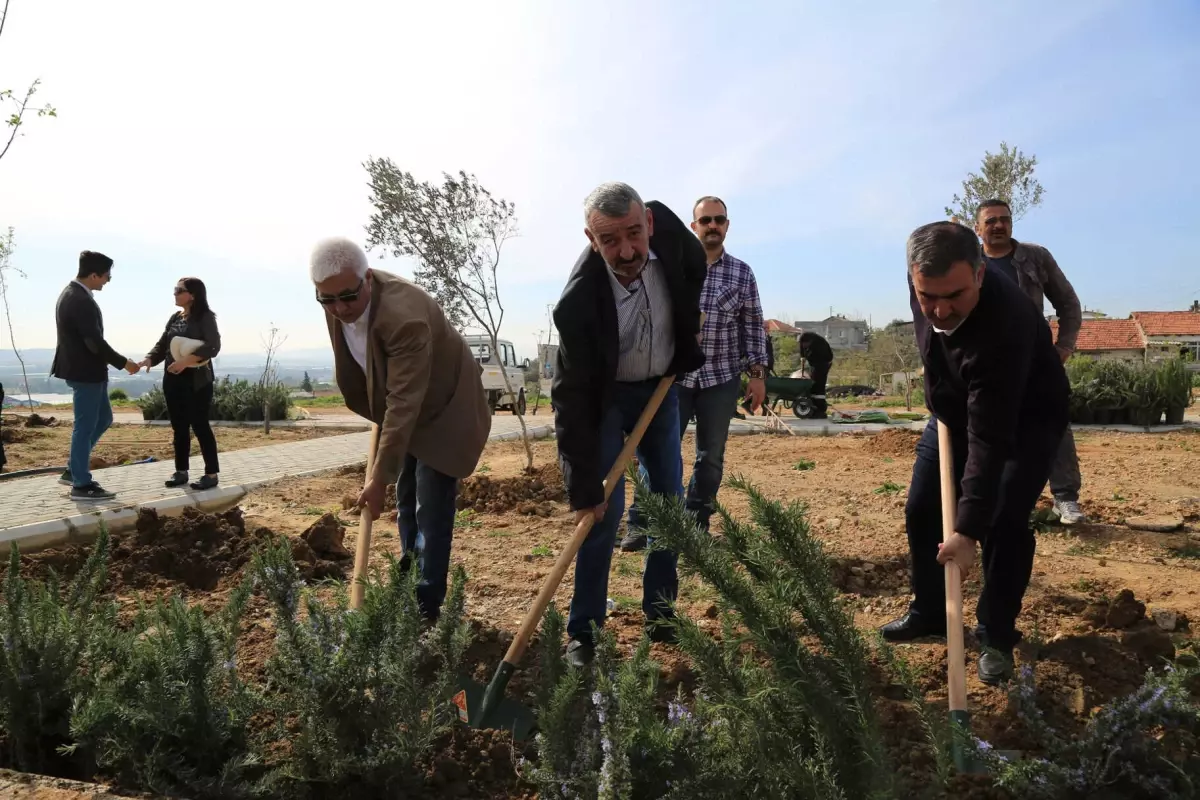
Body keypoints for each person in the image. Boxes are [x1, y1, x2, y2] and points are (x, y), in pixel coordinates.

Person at [881, 221, 1068, 685]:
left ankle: (996, 633)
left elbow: (990, 439)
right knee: (922, 508)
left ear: (981, 274)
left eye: (955, 296)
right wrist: (942, 405)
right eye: (929, 298)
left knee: (1001, 518)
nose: (940, 310)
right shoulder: (925, 279)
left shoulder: (1005, 326)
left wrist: (966, 531)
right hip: (952, 409)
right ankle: (930, 611)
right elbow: (935, 345)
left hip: (1025, 419)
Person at [553, 182, 705, 667]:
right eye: (610, 240)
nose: (626, 250)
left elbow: (694, 274)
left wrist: (684, 344)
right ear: (591, 239)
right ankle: (585, 632)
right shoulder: (577, 304)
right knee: (602, 511)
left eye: (634, 234)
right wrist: (582, 486)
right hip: (605, 397)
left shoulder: (677, 243)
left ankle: (660, 614)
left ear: (650, 224)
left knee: (668, 504)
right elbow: (570, 399)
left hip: (660, 390)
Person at [309, 237, 490, 621]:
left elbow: (405, 403)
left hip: (445, 407)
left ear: (368, 280)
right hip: (404, 403)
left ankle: (426, 608)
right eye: (327, 300)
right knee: (407, 499)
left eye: (347, 297)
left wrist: (377, 479)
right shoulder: (338, 296)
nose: (339, 309)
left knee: (430, 503)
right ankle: (409, 586)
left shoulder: (403, 316)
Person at [620, 195, 767, 551]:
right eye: (706, 221)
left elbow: (753, 325)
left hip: (721, 377)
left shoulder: (742, 273)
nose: (712, 226)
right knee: (656, 451)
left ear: (727, 226)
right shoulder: (671, 266)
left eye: (719, 220)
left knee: (711, 456)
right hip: (675, 378)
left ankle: (696, 524)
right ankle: (643, 524)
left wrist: (757, 374)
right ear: (694, 227)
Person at [974, 199, 1084, 525]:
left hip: (1036, 360)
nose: (998, 225)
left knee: (1054, 424)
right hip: (986, 362)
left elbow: (1068, 303)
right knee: (985, 429)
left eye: (1004, 219)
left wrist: (1064, 346)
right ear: (978, 228)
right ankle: (991, 500)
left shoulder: (1035, 257)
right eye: (991, 221)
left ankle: (1065, 499)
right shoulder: (968, 261)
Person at [50, 251, 140, 500]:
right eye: (106, 276)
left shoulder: (75, 295)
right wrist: (124, 363)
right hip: (85, 373)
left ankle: (73, 470)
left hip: (89, 372)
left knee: (103, 419)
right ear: (93, 275)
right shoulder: (78, 300)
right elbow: (94, 343)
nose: (107, 281)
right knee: (85, 426)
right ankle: (80, 483)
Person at [139, 278, 222, 490]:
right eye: (175, 290)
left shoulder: (205, 317)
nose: (175, 294)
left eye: (179, 290)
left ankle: (211, 474)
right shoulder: (175, 318)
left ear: (192, 294)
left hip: (197, 380)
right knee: (179, 427)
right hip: (173, 378)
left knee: (200, 425)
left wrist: (185, 361)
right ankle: (181, 471)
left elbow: (213, 347)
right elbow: (162, 344)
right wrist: (149, 358)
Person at [799, 331, 833, 418]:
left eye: (805, 345)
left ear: (809, 342)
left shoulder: (819, 345)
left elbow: (814, 359)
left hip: (822, 364)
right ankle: (814, 407)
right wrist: (802, 357)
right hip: (817, 364)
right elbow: (802, 350)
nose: (804, 346)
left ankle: (820, 410)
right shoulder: (805, 339)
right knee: (814, 385)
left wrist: (806, 358)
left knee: (818, 386)